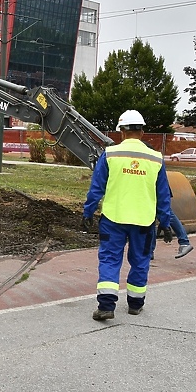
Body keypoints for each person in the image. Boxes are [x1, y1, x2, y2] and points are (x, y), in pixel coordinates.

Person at [82, 109, 172, 321]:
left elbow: (97, 188)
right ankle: (135, 304)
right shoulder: (156, 158)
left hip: (113, 219)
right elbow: (163, 194)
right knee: (140, 260)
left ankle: (106, 306)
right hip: (144, 221)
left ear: (121, 132)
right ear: (142, 132)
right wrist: (165, 222)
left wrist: (88, 211)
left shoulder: (110, 154)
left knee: (110, 260)